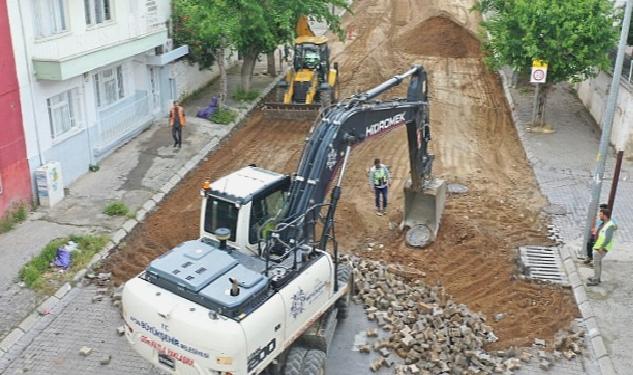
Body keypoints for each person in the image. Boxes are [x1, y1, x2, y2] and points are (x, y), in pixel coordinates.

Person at [587, 208, 617, 287]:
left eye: (601, 215)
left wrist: (601, 247)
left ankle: (595, 280)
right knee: (598, 263)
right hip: (598, 246)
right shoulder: (605, 223)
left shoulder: (609, 225)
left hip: (601, 248)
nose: (599, 216)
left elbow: (608, 238)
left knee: (596, 263)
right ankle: (597, 277)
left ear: (605, 216)